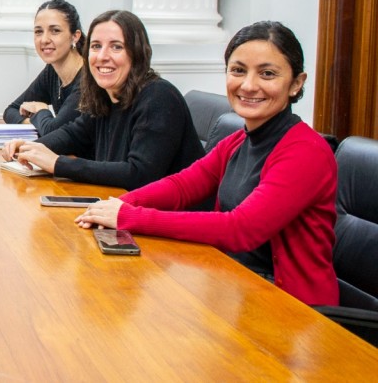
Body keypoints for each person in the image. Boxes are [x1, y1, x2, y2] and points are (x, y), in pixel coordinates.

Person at [75, 22, 337, 306]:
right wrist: (117, 205)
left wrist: (128, 216)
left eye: (267, 74)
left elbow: (240, 229)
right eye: (238, 70)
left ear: (296, 83)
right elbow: (182, 186)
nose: (248, 85)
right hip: (235, 287)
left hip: (298, 314)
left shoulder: (306, 151)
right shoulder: (239, 140)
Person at [2, 10, 203, 190]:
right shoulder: (105, 94)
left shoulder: (159, 96)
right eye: (96, 46)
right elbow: (74, 135)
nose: (102, 56)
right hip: (122, 209)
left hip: (170, 222)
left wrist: (57, 163)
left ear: (137, 53)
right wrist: (32, 147)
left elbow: (140, 174)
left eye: (116, 47)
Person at [2, 0, 86, 135]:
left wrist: (41, 110)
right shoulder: (52, 71)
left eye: (55, 31)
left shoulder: (87, 79)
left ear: (75, 36)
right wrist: (39, 122)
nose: (44, 39)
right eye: (38, 32)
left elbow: (53, 131)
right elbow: (11, 110)